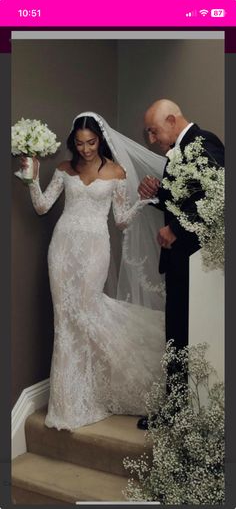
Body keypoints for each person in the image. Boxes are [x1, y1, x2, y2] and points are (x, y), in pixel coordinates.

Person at [18, 112, 167, 431]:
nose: (85, 149)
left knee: (87, 313)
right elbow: (43, 207)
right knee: (65, 320)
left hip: (95, 249)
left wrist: (141, 202)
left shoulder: (116, 171)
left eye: (92, 142)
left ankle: (110, 384)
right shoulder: (63, 169)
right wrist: (32, 180)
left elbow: (121, 220)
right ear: (74, 142)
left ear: (101, 140)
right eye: (80, 143)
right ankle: (68, 403)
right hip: (61, 248)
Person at [137, 99, 224, 430]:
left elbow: (219, 195)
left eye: (153, 131)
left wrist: (175, 228)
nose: (152, 139)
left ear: (172, 120)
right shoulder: (179, 149)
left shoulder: (203, 143)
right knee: (177, 335)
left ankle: (188, 412)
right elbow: (189, 197)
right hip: (180, 262)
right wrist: (158, 195)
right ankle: (175, 410)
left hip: (197, 265)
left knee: (186, 336)